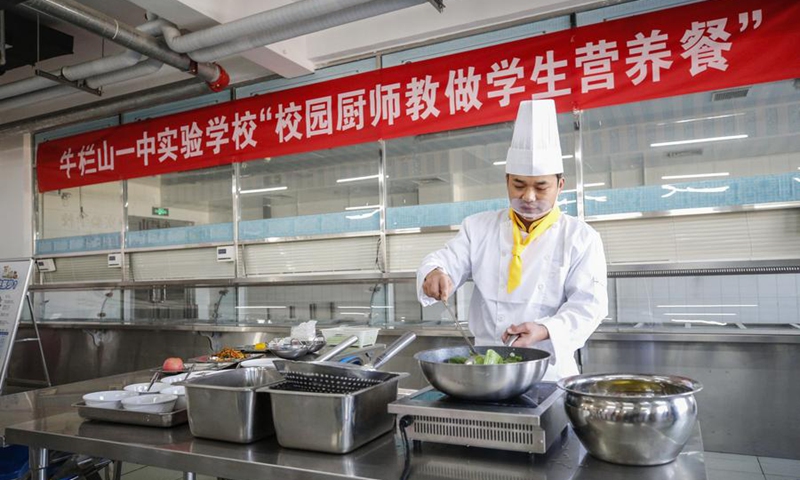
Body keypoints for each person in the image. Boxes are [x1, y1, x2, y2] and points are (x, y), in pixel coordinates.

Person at [416, 99, 608, 380]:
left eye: (541, 187)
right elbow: (445, 261)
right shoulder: (478, 227)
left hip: (548, 371)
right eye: (519, 185)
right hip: (484, 368)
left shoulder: (581, 237)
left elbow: (589, 306)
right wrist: (435, 272)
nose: (528, 197)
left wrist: (545, 329)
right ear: (507, 181)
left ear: (560, 186)